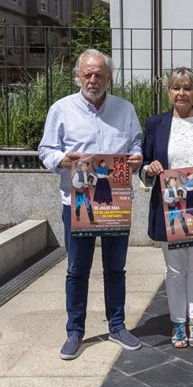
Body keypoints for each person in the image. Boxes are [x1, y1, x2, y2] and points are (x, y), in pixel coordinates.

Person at [38, 48, 144, 360]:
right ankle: (75, 331)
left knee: (115, 267)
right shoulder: (62, 109)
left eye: (99, 74)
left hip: (115, 201)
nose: (93, 79)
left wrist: (137, 158)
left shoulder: (125, 109)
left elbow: (136, 143)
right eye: (87, 73)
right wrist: (62, 159)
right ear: (78, 76)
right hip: (77, 202)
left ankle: (117, 325)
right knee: (77, 269)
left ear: (109, 77)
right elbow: (46, 149)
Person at [142, 67, 193, 348]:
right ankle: (178, 324)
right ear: (168, 92)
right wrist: (150, 169)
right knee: (175, 269)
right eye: (176, 88)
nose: (182, 93)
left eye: (187, 87)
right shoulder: (156, 124)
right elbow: (143, 166)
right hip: (169, 205)